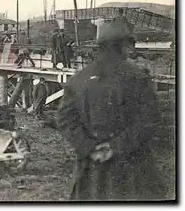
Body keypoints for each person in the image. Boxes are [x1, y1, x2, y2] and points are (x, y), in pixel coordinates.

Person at [56, 21, 166, 201]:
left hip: (91, 170)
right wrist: (115, 147)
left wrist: (89, 147)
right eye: (129, 45)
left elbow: (64, 118)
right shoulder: (138, 78)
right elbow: (150, 119)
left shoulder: (78, 79)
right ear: (123, 46)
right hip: (132, 168)